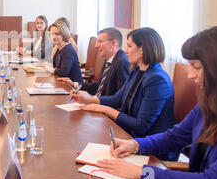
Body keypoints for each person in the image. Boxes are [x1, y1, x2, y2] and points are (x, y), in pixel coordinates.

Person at [95, 26, 217, 179]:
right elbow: (175, 137)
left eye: (197, 67)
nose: (190, 75)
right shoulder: (208, 104)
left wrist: (142, 173)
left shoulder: (157, 78)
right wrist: (136, 145)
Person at [71, 27, 175, 160]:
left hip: (151, 152)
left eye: (129, 46)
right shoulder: (136, 71)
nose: (125, 50)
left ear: (143, 49)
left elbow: (141, 126)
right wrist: (90, 99)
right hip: (130, 139)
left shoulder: (157, 80)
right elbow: (117, 100)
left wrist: (104, 109)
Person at [58, 27, 130, 96]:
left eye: (100, 42)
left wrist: (93, 100)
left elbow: (120, 98)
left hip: (106, 106)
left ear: (114, 43)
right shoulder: (109, 59)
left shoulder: (122, 62)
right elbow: (99, 86)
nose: (96, 45)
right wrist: (74, 84)